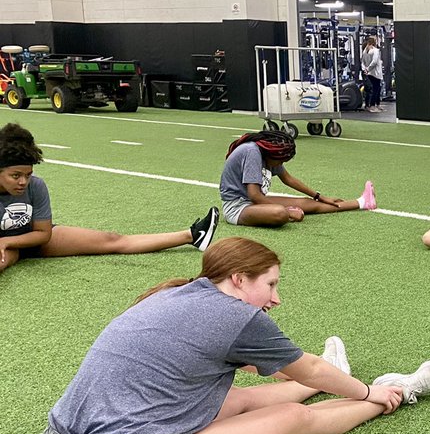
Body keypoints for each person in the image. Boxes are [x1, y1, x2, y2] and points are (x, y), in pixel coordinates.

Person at [39, 237, 430, 434]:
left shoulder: (171, 295)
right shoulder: (238, 317)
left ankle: (338, 379)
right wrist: (367, 391)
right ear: (239, 279)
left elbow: (261, 371)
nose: (276, 298)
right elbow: (303, 366)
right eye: (270, 284)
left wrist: (320, 377)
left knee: (235, 401)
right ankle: (393, 392)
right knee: (290, 419)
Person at [0, 122, 217, 275]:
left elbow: (43, 233)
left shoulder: (36, 186)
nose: (23, 182)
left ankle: (191, 235)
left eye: (27, 175)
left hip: (33, 239)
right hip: (5, 246)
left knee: (112, 239)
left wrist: (7, 240)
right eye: (15, 176)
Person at [219, 130, 376, 227]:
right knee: (279, 214)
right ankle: (286, 214)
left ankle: (362, 202)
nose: (280, 164)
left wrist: (319, 196)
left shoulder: (267, 154)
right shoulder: (251, 152)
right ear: (273, 154)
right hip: (237, 208)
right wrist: (288, 212)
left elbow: (288, 178)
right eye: (281, 161)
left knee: (308, 204)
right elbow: (254, 195)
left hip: (253, 202)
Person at [361, 35, 384, 113]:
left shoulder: (365, 51)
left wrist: (365, 69)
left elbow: (363, 62)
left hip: (369, 73)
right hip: (375, 73)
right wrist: (368, 69)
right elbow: (374, 62)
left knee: (374, 89)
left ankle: (374, 105)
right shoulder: (375, 50)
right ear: (374, 42)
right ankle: (372, 106)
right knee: (375, 90)